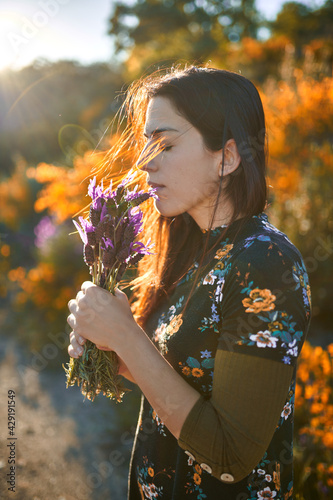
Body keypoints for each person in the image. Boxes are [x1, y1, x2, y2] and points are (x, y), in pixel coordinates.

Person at [67, 66, 311, 499]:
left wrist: (128, 336)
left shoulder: (265, 262)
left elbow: (231, 457)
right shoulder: (193, 249)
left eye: (165, 143)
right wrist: (117, 353)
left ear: (227, 157)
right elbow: (188, 381)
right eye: (145, 142)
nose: (145, 161)